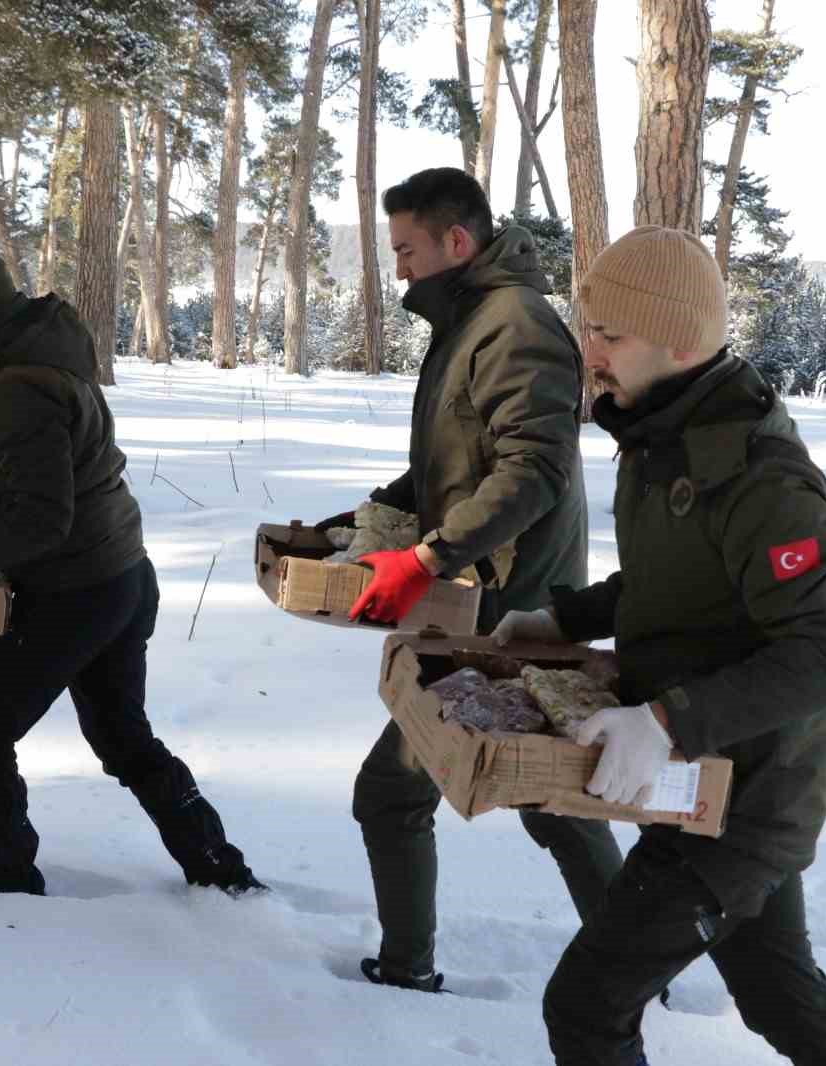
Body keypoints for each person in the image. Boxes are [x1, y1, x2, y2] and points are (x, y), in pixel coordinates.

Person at [493, 227, 826, 1065]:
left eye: (610, 334)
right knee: (778, 993)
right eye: (589, 326)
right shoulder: (657, 431)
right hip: (698, 777)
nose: (588, 351)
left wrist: (665, 722)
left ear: (680, 341)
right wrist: (568, 620)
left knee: (587, 1004)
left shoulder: (762, 478)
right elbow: (678, 581)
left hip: (746, 798)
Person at [0, 238, 264, 899]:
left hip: (72, 592)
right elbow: (60, 467)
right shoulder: (39, 353)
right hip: (119, 576)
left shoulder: (13, 385)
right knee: (122, 739)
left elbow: (39, 518)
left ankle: (6, 880)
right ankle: (220, 870)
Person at [313, 167, 623, 993]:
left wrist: (424, 559)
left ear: (458, 240)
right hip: (481, 594)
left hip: (513, 608)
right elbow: (461, 456)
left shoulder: (513, 325)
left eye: (408, 249)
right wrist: (374, 515)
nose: (402, 268)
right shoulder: (474, 321)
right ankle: (639, 962)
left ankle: (412, 970)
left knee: (402, 793)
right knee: (549, 799)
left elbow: (532, 474)